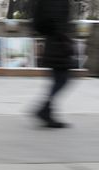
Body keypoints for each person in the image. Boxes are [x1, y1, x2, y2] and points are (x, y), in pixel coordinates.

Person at [33, 0, 75, 128]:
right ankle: (44, 111)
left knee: (60, 79)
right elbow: (51, 19)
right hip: (58, 43)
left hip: (56, 42)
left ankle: (46, 111)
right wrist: (60, 34)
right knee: (62, 79)